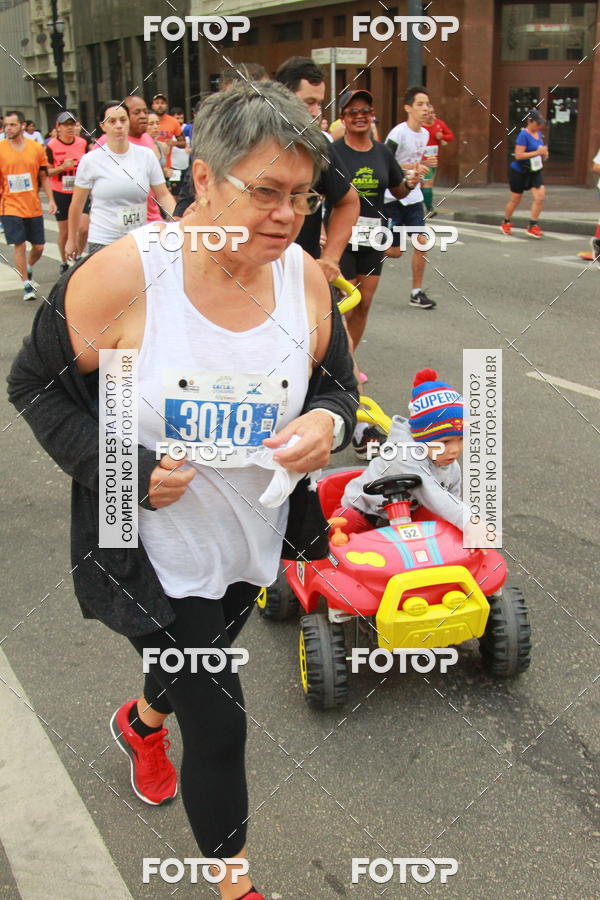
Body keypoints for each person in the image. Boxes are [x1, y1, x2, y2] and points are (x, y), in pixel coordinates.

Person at [8, 81, 357, 900]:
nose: (285, 215)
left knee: (193, 666)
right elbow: (32, 385)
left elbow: (337, 389)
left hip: (250, 538)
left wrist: (328, 427)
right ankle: (236, 888)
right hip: (150, 549)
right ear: (203, 178)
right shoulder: (128, 275)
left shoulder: (303, 280)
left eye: (301, 197)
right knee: (222, 717)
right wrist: (123, 472)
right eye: (264, 191)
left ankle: (139, 723)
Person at [331, 90, 412, 385]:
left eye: (365, 110)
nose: (360, 116)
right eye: (353, 112)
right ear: (343, 118)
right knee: (346, 301)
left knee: (364, 302)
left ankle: (349, 359)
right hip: (342, 234)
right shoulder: (334, 152)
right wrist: (325, 234)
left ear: (372, 115)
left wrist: (411, 182)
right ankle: (342, 364)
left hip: (373, 235)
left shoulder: (382, 152)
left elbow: (399, 190)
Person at [340, 368, 475, 542]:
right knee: (342, 526)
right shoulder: (404, 456)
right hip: (364, 513)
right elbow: (430, 492)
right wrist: (469, 521)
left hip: (407, 518)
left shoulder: (451, 466)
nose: (455, 450)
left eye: (461, 439)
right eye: (444, 442)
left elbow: (450, 502)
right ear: (421, 438)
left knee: (444, 530)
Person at [275, 57, 360, 283]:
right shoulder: (251, 142)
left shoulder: (318, 146)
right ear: (282, 99)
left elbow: (349, 201)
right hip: (251, 275)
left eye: (319, 103)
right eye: (308, 102)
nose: (316, 112)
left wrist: (331, 259)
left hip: (301, 273)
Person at [66, 101, 174, 256]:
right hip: (104, 242)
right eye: (112, 121)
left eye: (123, 120)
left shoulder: (146, 155)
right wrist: (72, 239)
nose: (118, 125)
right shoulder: (91, 160)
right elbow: (77, 203)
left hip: (139, 240)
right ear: (103, 126)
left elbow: (163, 195)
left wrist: (176, 221)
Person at [383, 85, 438, 310]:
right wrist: (414, 166)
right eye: (420, 104)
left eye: (427, 104)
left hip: (413, 196)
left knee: (421, 242)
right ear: (408, 108)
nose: (425, 109)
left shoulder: (425, 134)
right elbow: (384, 162)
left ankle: (416, 292)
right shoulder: (398, 133)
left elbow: (418, 165)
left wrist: (425, 166)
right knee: (395, 252)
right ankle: (365, 244)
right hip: (393, 196)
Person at [0, 109, 56, 300]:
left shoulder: (36, 148)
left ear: (22, 126)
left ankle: (29, 267)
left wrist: (51, 200)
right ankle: (26, 284)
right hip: (9, 205)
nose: (8, 128)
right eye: (6, 125)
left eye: (13, 124)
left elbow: (44, 177)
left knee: (39, 246)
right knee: (19, 245)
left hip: (32, 204)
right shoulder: (0, 149)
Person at [94, 95, 166, 226]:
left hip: (151, 218)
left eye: (145, 111)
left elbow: (161, 190)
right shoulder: (106, 142)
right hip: (117, 224)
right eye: (137, 112)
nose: (143, 116)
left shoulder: (147, 139)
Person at [46, 111, 90, 273]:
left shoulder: (82, 143)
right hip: (60, 192)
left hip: (80, 191)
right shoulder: (51, 146)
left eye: (72, 124)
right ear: (58, 127)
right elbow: (47, 172)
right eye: (66, 125)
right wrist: (63, 167)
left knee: (84, 228)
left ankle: (77, 255)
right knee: (64, 231)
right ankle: (64, 261)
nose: (70, 128)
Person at [501, 109, 548, 238]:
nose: (540, 126)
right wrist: (537, 153)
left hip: (534, 170)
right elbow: (518, 155)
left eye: (541, 124)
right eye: (537, 123)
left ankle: (533, 225)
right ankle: (506, 221)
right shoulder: (523, 135)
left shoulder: (538, 134)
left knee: (540, 196)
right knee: (515, 199)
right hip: (519, 171)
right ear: (530, 121)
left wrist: (544, 153)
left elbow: (541, 150)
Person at [422, 105, 455, 217]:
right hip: (422, 159)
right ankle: (429, 208)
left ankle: (425, 205)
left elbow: (450, 136)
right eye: (428, 113)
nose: (431, 115)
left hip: (434, 158)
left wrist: (442, 136)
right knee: (428, 182)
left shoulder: (439, 124)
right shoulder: (419, 126)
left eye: (432, 112)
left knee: (427, 183)